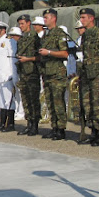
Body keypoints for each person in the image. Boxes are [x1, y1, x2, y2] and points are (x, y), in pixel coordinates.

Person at [78, 8, 99, 146]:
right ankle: (93, 131)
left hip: (96, 74)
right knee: (87, 104)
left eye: (84, 17)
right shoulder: (85, 35)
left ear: (91, 18)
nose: (81, 20)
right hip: (86, 74)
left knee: (96, 105)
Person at [39, 8, 69, 140]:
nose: (44, 20)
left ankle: (61, 129)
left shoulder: (59, 33)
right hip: (47, 73)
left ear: (53, 18)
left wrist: (49, 53)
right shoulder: (46, 34)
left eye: (46, 18)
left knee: (58, 102)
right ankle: (54, 127)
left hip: (57, 73)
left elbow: (65, 53)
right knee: (50, 102)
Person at [16, 15, 41, 136]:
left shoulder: (35, 37)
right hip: (23, 72)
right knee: (25, 100)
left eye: (22, 24)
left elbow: (40, 56)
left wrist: (28, 59)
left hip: (32, 72)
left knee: (33, 99)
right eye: (19, 24)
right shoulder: (21, 39)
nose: (20, 26)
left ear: (28, 23)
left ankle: (35, 125)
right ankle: (29, 123)